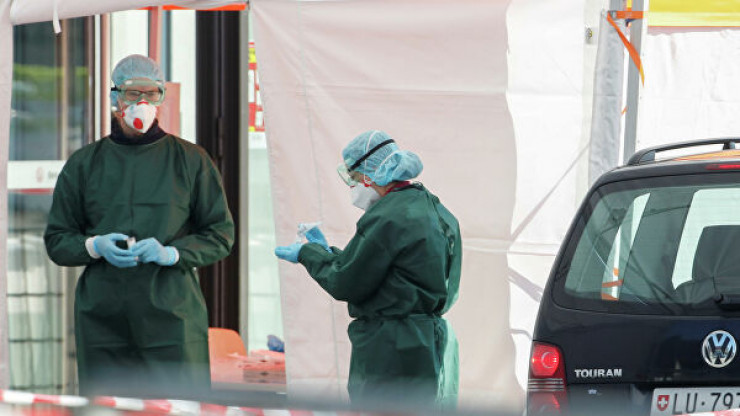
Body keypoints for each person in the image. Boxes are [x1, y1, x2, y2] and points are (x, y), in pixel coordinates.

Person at [44, 54, 235, 396]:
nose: (142, 103)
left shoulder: (191, 161)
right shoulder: (85, 164)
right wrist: (93, 246)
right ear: (115, 97)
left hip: (171, 318)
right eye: (133, 94)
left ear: (162, 97)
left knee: (179, 406)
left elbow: (220, 234)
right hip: (104, 321)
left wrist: (173, 253)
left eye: (152, 94)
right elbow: (58, 240)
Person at [274, 130, 462, 408]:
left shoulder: (387, 216)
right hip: (435, 346)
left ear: (370, 175)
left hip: (393, 350)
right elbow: (385, 271)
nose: (352, 185)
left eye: (353, 178)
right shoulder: (436, 210)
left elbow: (345, 282)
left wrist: (307, 253)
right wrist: (329, 253)